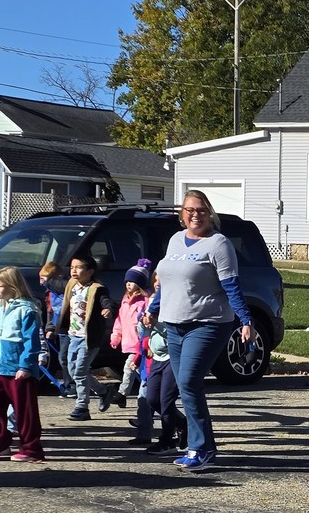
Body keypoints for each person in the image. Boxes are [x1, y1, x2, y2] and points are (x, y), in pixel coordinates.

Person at [144, 190, 254, 471]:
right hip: (174, 324)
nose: (195, 214)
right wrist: (153, 307)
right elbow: (165, 281)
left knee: (190, 383)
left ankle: (201, 448)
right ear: (182, 215)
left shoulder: (219, 244)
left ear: (210, 213)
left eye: (201, 210)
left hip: (208, 323)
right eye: (190, 210)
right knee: (183, 385)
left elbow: (231, 285)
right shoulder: (174, 241)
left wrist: (246, 320)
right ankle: (200, 445)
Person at [0, 267, 45, 462]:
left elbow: (31, 342)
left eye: (0, 286)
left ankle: (31, 448)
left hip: (18, 370)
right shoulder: (0, 307)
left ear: (12, 286)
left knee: (24, 411)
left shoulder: (27, 310)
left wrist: (25, 366)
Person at [51, 253, 115, 420]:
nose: (74, 271)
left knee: (79, 371)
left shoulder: (96, 289)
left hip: (89, 338)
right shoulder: (72, 286)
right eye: (72, 267)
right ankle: (103, 391)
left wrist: (108, 309)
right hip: (73, 336)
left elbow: (107, 301)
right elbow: (56, 284)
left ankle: (82, 407)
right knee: (73, 370)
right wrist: (46, 280)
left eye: (79, 267)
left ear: (90, 271)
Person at [144, 273, 186, 455]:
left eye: (164, 280)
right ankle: (183, 424)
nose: (159, 284)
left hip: (173, 356)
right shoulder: (151, 301)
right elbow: (144, 327)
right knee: (152, 398)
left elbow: (177, 332)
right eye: (156, 281)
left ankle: (167, 441)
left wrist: (156, 324)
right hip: (157, 356)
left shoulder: (176, 303)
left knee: (166, 400)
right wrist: (145, 328)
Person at [109, 258, 153, 406]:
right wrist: (116, 336)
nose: (128, 284)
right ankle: (153, 395)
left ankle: (122, 394)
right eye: (127, 281)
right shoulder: (125, 301)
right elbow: (120, 320)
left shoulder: (145, 301)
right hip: (129, 342)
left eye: (132, 281)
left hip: (140, 343)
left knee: (129, 368)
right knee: (141, 373)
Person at [38, 261, 74, 398]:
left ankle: (72, 385)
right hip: (59, 330)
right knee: (62, 358)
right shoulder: (50, 294)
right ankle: (68, 384)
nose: (42, 282)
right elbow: (51, 312)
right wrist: (50, 328)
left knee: (64, 357)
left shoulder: (66, 289)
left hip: (69, 328)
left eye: (45, 278)